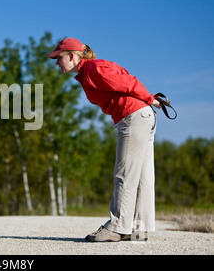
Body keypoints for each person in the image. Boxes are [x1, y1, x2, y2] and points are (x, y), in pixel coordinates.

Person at [48, 38, 161, 242]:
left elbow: (128, 82)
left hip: (133, 116)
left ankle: (118, 227)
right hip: (142, 116)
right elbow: (124, 76)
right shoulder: (90, 70)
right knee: (143, 175)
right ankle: (138, 229)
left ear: (72, 55)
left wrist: (149, 97)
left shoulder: (93, 69)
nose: (56, 62)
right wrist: (148, 101)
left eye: (59, 57)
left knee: (124, 173)